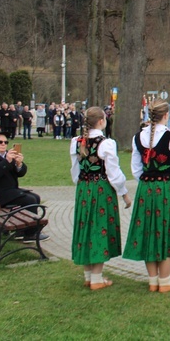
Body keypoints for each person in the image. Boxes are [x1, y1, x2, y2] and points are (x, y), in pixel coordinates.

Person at [123, 100, 170, 293]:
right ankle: (165, 281)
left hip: (146, 189)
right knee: (166, 231)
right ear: (166, 116)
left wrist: (147, 182)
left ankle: (153, 280)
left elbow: (136, 170)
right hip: (167, 188)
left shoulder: (138, 138)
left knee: (148, 231)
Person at [70, 107, 132, 290]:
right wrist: (124, 193)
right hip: (101, 189)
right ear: (101, 122)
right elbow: (114, 173)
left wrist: (82, 186)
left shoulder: (76, 142)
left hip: (83, 189)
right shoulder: (106, 143)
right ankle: (97, 278)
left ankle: (88, 275)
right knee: (99, 227)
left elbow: (75, 171)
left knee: (85, 227)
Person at [0, 130, 49, 242]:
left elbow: (21, 173)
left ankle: (22, 230)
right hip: (0, 194)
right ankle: (30, 233)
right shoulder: (4, 157)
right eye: (0, 142)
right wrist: (7, 161)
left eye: (6, 142)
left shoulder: (9, 154)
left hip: (11, 191)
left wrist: (19, 164)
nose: (4, 144)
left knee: (36, 197)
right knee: (30, 200)